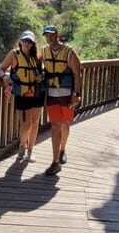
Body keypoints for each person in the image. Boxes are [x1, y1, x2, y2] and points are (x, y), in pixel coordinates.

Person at [0, 31, 44, 163]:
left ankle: (30, 151)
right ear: (20, 41)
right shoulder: (14, 54)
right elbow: (0, 69)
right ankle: (22, 147)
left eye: (30, 41)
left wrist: (42, 76)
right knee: (26, 124)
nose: (27, 43)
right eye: (25, 40)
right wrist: (4, 76)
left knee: (35, 123)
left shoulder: (37, 55)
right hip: (22, 93)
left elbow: (41, 72)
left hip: (37, 92)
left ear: (33, 43)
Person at [40, 25, 81, 176]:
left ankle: (63, 149)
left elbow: (77, 73)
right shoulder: (44, 51)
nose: (49, 38)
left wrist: (76, 94)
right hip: (51, 94)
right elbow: (32, 64)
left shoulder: (69, 52)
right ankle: (55, 162)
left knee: (64, 124)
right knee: (55, 126)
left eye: (52, 35)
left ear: (57, 35)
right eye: (47, 35)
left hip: (66, 95)